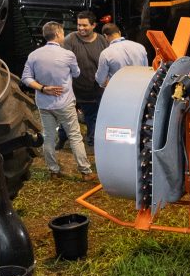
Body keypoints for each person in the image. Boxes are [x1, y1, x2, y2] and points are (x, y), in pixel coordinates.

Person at [21, 22, 96, 181]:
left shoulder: (34, 55)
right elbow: (76, 73)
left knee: (48, 136)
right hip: (64, 103)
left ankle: (53, 171)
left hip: (44, 103)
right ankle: (85, 172)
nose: (63, 36)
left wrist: (42, 88)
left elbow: (26, 78)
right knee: (75, 136)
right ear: (57, 34)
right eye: (62, 33)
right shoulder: (67, 55)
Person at [59, 11, 107, 151]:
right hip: (73, 89)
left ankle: (92, 144)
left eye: (84, 25)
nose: (81, 28)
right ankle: (62, 139)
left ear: (93, 25)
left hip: (94, 90)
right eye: (79, 25)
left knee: (93, 118)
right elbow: (62, 62)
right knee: (66, 118)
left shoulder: (102, 41)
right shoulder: (70, 40)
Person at [95, 24, 149, 88]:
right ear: (119, 32)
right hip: (140, 89)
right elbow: (146, 71)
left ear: (105, 36)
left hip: (119, 91)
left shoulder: (105, 54)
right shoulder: (140, 47)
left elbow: (101, 79)